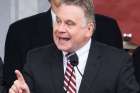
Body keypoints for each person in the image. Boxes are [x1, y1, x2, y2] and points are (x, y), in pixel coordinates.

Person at [9, 0, 139, 93]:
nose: (60, 29)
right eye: (58, 21)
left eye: (69, 23)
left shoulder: (118, 62)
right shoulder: (35, 59)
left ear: (89, 30)